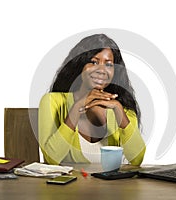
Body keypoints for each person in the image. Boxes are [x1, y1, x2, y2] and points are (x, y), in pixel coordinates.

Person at [38, 34, 146, 166]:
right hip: (69, 186)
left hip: (113, 187)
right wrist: (77, 108)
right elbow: (51, 159)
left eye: (109, 64)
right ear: (79, 65)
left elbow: (137, 160)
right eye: (94, 62)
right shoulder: (52, 101)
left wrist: (118, 110)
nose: (101, 70)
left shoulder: (122, 107)